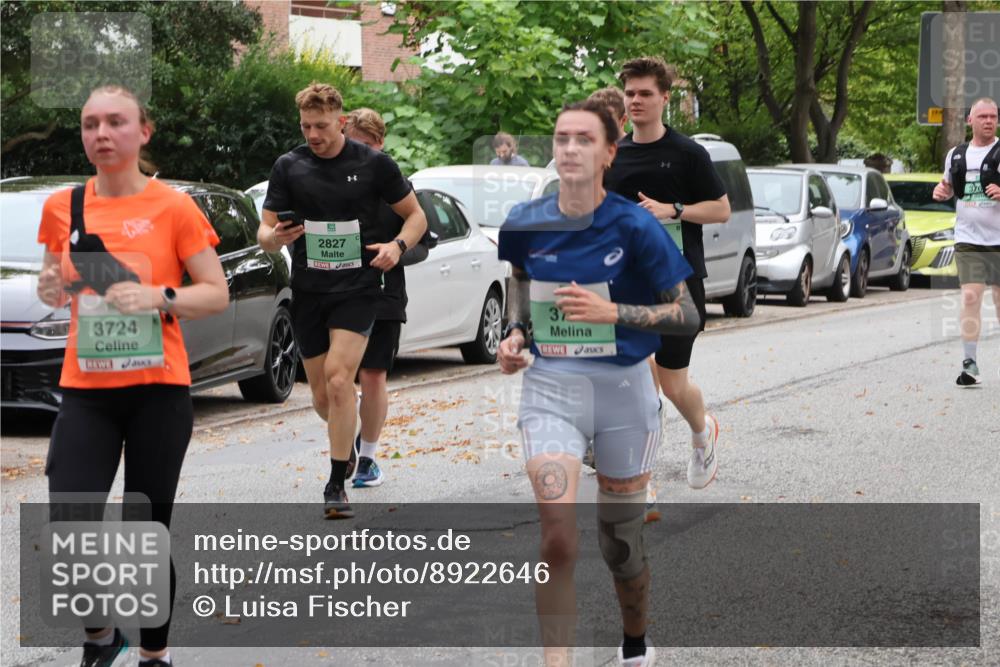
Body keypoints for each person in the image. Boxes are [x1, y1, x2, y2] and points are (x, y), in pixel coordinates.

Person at [498, 99, 699, 667]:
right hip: (551, 390)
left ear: (610, 152)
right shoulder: (525, 219)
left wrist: (615, 314)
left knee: (621, 548)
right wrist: (516, 331)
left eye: (584, 139)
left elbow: (687, 316)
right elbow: (519, 276)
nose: (569, 148)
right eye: (561, 137)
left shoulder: (635, 226)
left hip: (623, 391)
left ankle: (634, 644)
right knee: (558, 537)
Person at [36, 84, 230, 667]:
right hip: (86, 391)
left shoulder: (172, 207)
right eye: (90, 124)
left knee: (144, 531)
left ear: (142, 132)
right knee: (69, 524)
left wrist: (157, 295)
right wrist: (52, 288)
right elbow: (54, 285)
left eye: (115, 122)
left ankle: (154, 655)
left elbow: (215, 293)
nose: (101, 134)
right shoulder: (63, 207)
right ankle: (100, 636)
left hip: (158, 392)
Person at [257, 83, 427, 519]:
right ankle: (344, 440)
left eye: (322, 126)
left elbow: (416, 216)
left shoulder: (374, 164)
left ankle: (336, 484)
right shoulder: (288, 166)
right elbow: (265, 231)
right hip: (310, 290)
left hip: (359, 287)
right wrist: (274, 239)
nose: (313, 134)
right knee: (320, 397)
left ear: (342, 121)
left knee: (339, 380)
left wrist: (397, 247)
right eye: (306, 126)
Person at [605, 56, 731, 491]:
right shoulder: (613, 155)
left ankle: (702, 432)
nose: (636, 100)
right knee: (631, 375)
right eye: (630, 93)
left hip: (678, 283)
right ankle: (633, 470)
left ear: (664, 98)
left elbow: (721, 209)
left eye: (644, 93)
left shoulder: (687, 153)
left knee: (674, 384)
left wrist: (672, 210)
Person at [342, 107, 427, 487]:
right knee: (336, 379)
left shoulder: (395, 182)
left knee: (372, 375)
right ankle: (345, 441)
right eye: (350, 145)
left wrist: (395, 251)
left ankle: (367, 458)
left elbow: (424, 241)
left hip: (383, 292)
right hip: (337, 292)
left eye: (364, 146)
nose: (356, 154)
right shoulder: (332, 178)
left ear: (379, 144)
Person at [933, 97, 1000, 386]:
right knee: (971, 296)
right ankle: (969, 364)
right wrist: (941, 192)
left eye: (993, 116)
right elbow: (949, 188)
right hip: (968, 239)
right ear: (969, 120)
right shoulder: (955, 155)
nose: (988, 121)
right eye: (982, 116)